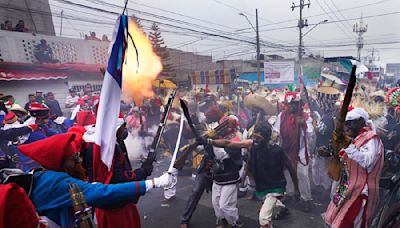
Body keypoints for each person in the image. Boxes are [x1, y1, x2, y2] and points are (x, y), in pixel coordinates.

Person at [17, 131, 171, 228]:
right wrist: (154, 183)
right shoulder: (57, 182)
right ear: (60, 163)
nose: (79, 162)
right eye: (74, 158)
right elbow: (103, 192)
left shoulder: (44, 176)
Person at [211, 121, 288, 228]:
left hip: (275, 185)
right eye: (254, 136)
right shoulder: (251, 144)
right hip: (262, 183)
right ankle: (282, 207)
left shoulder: (277, 150)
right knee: (266, 197)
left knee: (263, 218)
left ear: (266, 138)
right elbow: (228, 143)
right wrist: (210, 141)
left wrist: (296, 187)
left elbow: (289, 168)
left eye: (258, 137)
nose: (255, 139)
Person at [323, 108, 384, 228]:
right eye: (346, 123)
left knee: (345, 223)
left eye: (351, 122)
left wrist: (347, 146)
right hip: (345, 187)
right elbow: (345, 158)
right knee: (333, 218)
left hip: (360, 191)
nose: (348, 126)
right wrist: (331, 153)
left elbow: (367, 161)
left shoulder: (371, 138)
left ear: (361, 121)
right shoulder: (353, 139)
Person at [273, 91, 314, 211]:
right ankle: (290, 193)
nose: (292, 106)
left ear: (299, 104)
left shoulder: (305, 116)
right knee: (287, 172)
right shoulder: (281, 116)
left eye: (295, 104)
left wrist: (303, 125)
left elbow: (311, 133)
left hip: (301, 150)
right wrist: (275, 135)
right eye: (290, 104)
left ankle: (306, 199)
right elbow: (276, 130)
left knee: (303, 174)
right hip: (286, 149)